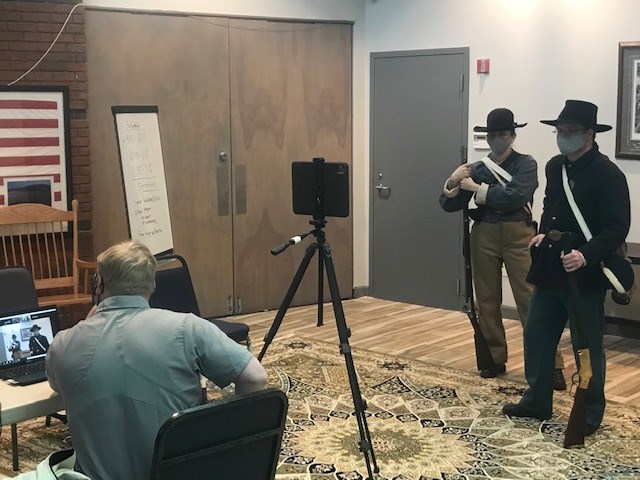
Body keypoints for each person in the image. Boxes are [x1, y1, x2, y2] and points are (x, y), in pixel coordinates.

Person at [46, 240, 268, 480]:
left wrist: (91, 320)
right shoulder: (187, 327)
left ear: (98, 283)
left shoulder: (62, 344)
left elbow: (58, 387)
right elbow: (255, 378)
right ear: (152, 285)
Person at [503, 100, 631, 436]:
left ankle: (590, 410)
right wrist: (543, 231)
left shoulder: (609, 174)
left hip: (584, 272)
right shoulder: (554, 166)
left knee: (586, 344)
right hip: (551, 266)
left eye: (570, 132)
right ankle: (537, 400)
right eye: (559, 131)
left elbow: (617, 227)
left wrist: (586, 255)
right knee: (537, 333)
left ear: (589, 134)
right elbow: (551, 205)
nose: (562, 137)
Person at [440, 108, 565, 387]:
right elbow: (449, 204)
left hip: (518, 232)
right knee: (486, 300)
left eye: (502, 134)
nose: (497, 139)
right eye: (492, 135)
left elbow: (515, 197)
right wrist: (452, 180)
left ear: (512, 135)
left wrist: (475, 189)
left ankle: (549, 362)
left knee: (532, 299)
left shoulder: (525, 164)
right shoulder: (478, 168)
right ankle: (494, 357)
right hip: (484, 233)